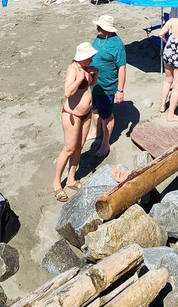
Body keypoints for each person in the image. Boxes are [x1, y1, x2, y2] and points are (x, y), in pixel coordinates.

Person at [54, 43, 98, 201]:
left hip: (85, 114)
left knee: (79, 146)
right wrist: (80, 78)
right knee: (68, 149)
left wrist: (94, 74)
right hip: (72, 115)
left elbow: (90, 85)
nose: (92, 58)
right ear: (83, 57)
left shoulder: (86, 67)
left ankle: (71, 178)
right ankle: (57, 183)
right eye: (90, 57)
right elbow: (67, 91)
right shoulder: (73, 69)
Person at [87, 15, 126, 159]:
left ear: (108, 30)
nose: (97, 29)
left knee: (106, 116)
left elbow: (122, 68)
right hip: (94, 84)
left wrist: (120, 90)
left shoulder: (117, 45)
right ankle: (95, 132)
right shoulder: (99, 38)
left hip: (107, 86)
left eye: (100, 27)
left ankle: (105, 143)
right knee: (94, 109)